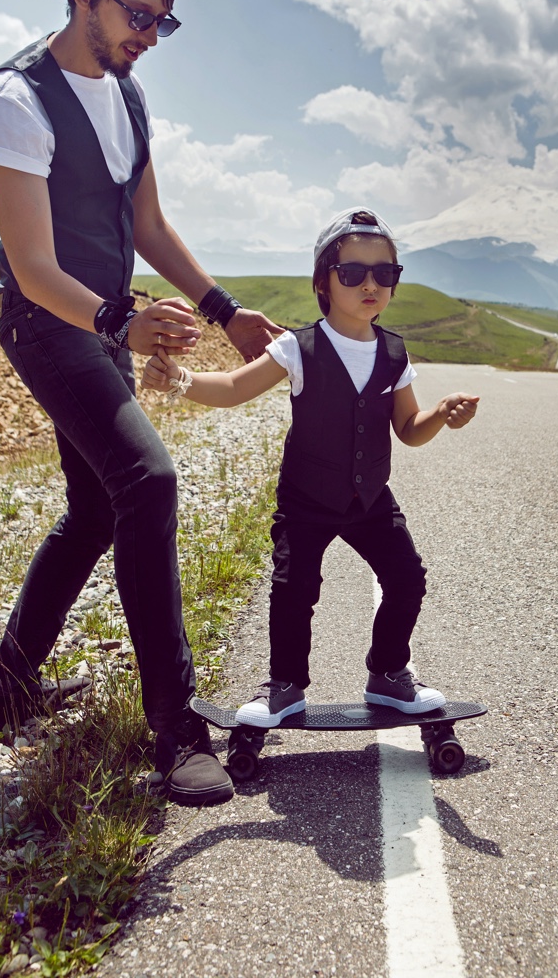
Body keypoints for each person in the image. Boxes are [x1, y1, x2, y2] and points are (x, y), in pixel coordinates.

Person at [0, 0, 280, 806]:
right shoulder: (14, 99)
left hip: (102, 328)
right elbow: (32, 267)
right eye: (137, 14)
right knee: (148, 480)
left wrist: (224, 310)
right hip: (47, 328)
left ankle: (7, 693)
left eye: (163, 23)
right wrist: (123, 320)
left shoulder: (129, 96)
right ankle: (175, 728)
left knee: (95, 510)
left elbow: (146, 227)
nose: (148, 35)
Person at [142, 207, 479, 729]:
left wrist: (440, 415)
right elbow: (234, 388)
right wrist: (181, 379)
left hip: (370, 501)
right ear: (324, 281)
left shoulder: (393, 352)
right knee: (294, 589)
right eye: (353, 273)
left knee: (407, 578)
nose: (370, 283)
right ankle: (285, 688)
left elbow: (409, 428)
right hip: (307, 499)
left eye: (384, 273)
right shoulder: (297, 347)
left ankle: (388, 676)